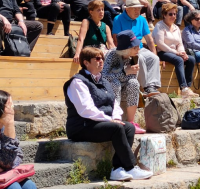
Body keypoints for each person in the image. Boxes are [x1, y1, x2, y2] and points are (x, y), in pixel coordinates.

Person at [64, 46, 153, 181]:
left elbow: (114, 104)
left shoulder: (103, 80)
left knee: (128, 126)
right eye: (97, 59)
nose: (101, 62)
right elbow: (86, 109)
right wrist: (109, 120)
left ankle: (117, 169)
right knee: (116, 128)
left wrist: (116, 117)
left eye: (102, 59)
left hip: (99, 123)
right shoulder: (78, 82)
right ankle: (130, 167)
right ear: (86, 62)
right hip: (81, 126)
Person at [112, 0, 162, 97]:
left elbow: (149, 40)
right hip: (126, 49)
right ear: (127, 9)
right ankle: (146, 87)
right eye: (135, 8)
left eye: (139, 8)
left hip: (139, 47)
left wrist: (154, 53)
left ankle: (152, 86)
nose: (137, 11)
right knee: (141, 58)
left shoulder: (142, 20)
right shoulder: (118, 19)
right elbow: (116, 39)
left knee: (154, 58)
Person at [152, 3, 198, 98]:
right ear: (164, 15)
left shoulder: (176, 27)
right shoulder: (159, 26)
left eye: (174, 14)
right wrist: (177, 53)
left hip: (175, 52)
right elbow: (160, 44)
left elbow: (179, 43)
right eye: (170, 14)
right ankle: (183, 88)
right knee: (179, 60)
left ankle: (188, 88)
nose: (173, 16)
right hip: (162, 52)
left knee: (191, 59)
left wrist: (182, 52)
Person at [102, 31, 145, 130]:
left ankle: (131, 122)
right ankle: (116, 120)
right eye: (135, 47)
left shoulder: (135, 57)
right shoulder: (112, 55)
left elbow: (131, 78)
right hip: (109, 90)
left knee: (134, 83)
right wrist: (124, 72)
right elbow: (103, 77)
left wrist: (128, 73)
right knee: (115, 83)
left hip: (124, 89)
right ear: (126, 49)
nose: (138, 49)